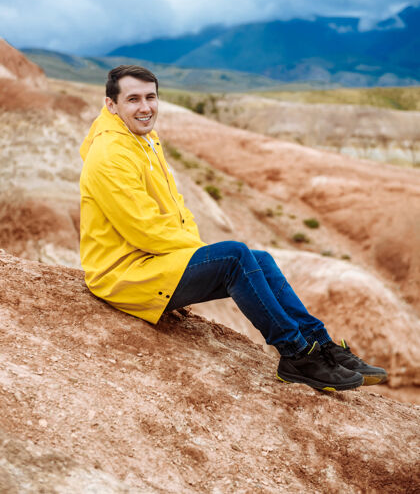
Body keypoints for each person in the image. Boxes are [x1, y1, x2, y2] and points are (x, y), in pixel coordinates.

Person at [79, 65, 387, 392]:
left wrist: (188, 267)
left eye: (151, 97)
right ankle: (295, 354)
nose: (145, 107)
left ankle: (320, 344)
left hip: (149, 262)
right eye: (133, 99)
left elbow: (177, 210)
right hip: (123, 274)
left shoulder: (142, 139)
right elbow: (146, 231)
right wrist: (194, 261)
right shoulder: (111, 153)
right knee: (236, 257)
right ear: (111, 105)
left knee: (260, 260)